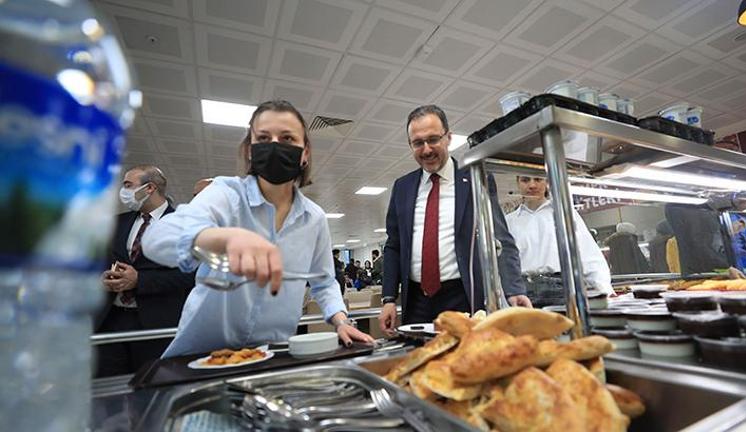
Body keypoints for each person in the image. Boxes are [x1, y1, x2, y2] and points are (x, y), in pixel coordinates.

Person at [143, 100, 374, 357]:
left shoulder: (314, 217)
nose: (275, 146)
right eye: (263, 138)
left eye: (287, 138)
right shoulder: (226, 194)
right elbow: (156, 238)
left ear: (305, 152)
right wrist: (219, 238)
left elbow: (324, 282)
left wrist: (341, 321)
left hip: (271, 354)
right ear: (250, 150)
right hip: (203, 356)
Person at [379, 105, 530, 332]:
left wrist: (514, 289)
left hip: (462, 296)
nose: (427, 149)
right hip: (416, 301)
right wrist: (388, 298)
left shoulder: (475, 178)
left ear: (448, 137)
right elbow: (394, 246)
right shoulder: (403, 187)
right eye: (418, 143)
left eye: (433, 139)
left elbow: (500, 238)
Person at [94, 165, 195, 376]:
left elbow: (190, 275)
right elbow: (102, 261)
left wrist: (140, 279)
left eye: (128, 185)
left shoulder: (183, 225)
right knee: (108, 385)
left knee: (150, 384)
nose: (124, 192)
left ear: (149, 188)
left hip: (156, 323)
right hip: (112, 319)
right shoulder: (118, 222)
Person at [505, 176, 613, 307]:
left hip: (561, 290)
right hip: (523, 293)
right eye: (525, 180)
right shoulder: (509, 221)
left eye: (538, 179)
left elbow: (588, 253)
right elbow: (505, 264)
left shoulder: (564, 214)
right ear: (518, 183)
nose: (532, 185)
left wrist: (604, 289)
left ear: (547, 182)